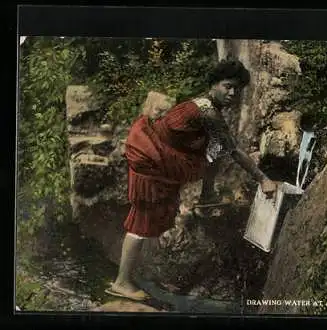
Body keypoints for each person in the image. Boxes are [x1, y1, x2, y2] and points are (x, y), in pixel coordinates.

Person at [105, 59, 278, 301]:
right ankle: (121, 282)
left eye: (237, 89)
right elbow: (234, 150)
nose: (232, 93)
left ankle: (207, 195)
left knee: (214, 150)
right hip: (153, 166)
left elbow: (217, 148)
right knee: (140, 224)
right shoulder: (206, 111)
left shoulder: (205, 105)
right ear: (214, 85)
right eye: (227, 86)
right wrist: (262, 178)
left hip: (162, 161)